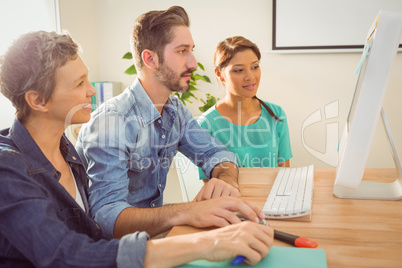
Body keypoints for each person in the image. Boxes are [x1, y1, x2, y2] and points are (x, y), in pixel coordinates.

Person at [0, 31, 274, 267]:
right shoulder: (8, 167)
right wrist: (205, 242)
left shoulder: (64, 150)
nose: (92, 91)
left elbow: (89, 236)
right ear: (37, 100)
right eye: (79, 83)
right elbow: (67, 254)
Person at [76, 6, 265, 240]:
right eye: (182, 51)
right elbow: (107, 219)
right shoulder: (112, 121)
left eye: (191, 51)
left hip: (153, 242)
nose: (193, 63)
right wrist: (188, 211)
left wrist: (226, 179)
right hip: (114, 254)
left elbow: (216, 152)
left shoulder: (174, 110)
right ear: (150, 59)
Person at [198, 36, 293, 180]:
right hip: (230, 202)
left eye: (254, 67)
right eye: (239, 70)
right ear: (220, 74)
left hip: (273, 200)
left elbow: (285, 174)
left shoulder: (276, 114)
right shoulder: (206, 125)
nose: (250, 77)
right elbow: (209, 185)